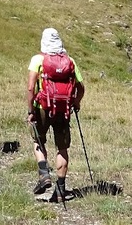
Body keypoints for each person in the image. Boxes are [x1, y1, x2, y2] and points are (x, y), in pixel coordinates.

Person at [27, 27, 85, 203]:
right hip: (63, 109)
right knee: (62, 148)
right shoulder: (70, 61)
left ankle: (44, 173)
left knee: (38, 140)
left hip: (42, 107)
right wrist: (76, 102)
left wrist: (31, 111)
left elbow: (30, 88)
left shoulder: (38, 60)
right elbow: (81, 87)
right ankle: (60, 190)